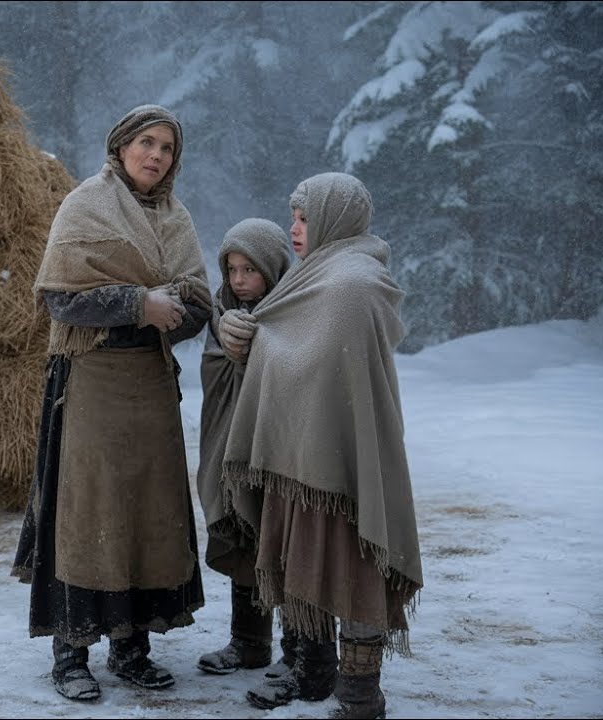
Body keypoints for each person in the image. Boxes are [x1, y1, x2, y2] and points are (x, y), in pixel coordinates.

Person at [11, 104, 213, 702]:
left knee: (147, 513)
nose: (156, 156)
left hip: (151, 385)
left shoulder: (177, 219)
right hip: (91, 382)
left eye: (168, 148)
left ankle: (133, 646)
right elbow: (60, 299)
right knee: (88, 511)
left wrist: (172, 312)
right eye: (146, 143)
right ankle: (71, 650)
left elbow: (198, 301)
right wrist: (136, 304)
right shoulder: (86, 204)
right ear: (122, 145)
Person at [218, 172, 423, 719]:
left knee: (355, 566)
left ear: (335, 216)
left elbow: (314, 358)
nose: (295, 228)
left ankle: (359, 696)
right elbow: (286, 340)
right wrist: (249, 335)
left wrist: (260, 340)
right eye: (294, 216)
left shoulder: (353, 281)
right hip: (303, 449)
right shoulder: (315, 276)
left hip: (343, 452)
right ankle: (312, 670)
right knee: (306, 560)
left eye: (305, 217)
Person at [193, 219, 293, 677]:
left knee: (281, 544)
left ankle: (299, 650)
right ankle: (249, 643)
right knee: (243, 534)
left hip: (276, 452)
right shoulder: (222, 312)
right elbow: (215, 374)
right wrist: (232, 349)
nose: (238, 280)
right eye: (231, 268)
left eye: (249, 269)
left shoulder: (292, 309)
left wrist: (258, 350)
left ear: (271, 270)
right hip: (231, 448)